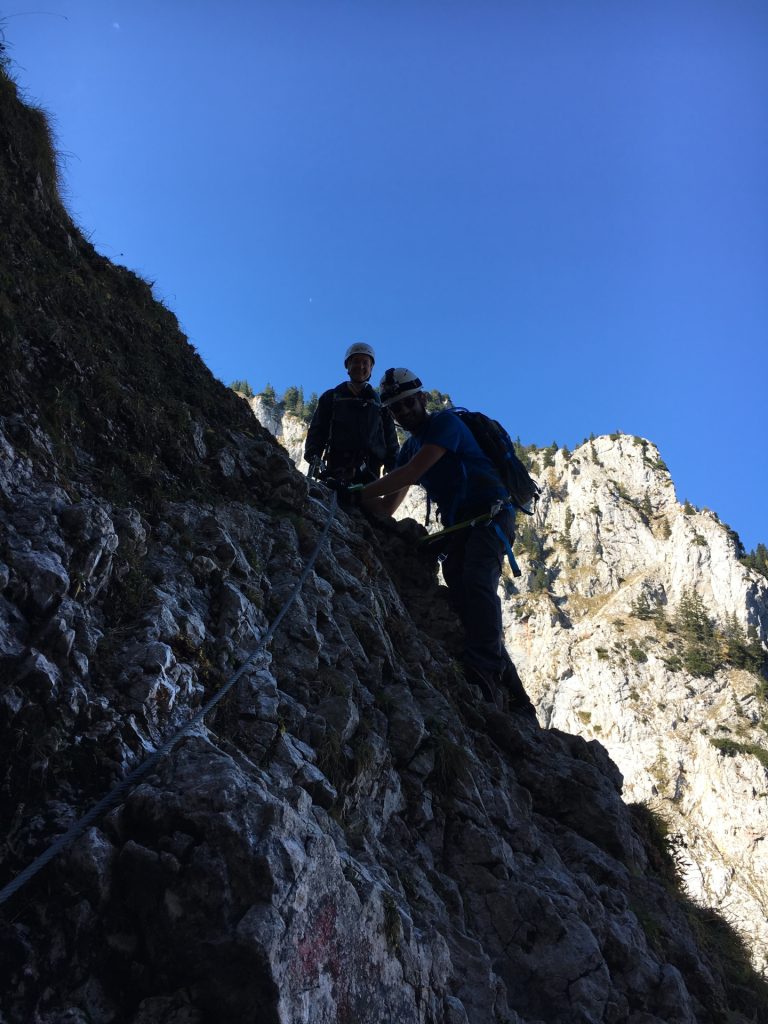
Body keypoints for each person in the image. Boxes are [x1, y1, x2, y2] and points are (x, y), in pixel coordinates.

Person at [361, 368, 536, 718]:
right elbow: (387, 505)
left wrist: (360, 491)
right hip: (460, 525)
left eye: (409, 402)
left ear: (423, 399)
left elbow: (411, 474)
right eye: (397, 408)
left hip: (490, 514)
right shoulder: (408, 449)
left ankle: (485, 670)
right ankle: (516, 696)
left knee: (475, 580)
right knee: (463, 596)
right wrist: (355, 501)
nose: (405, 411)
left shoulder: (445, 426)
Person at [304, 343, 399, 485]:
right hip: (336, 468)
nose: (360, 366)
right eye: (355, 361)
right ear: (347, 366)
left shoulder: (381, 405)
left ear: (371, 368)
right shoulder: (331, 398)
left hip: (370, 473)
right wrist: (313, 454)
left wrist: (393, 465)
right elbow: (318, 429)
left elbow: (390, 438)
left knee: (363, 506)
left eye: (365, 363)